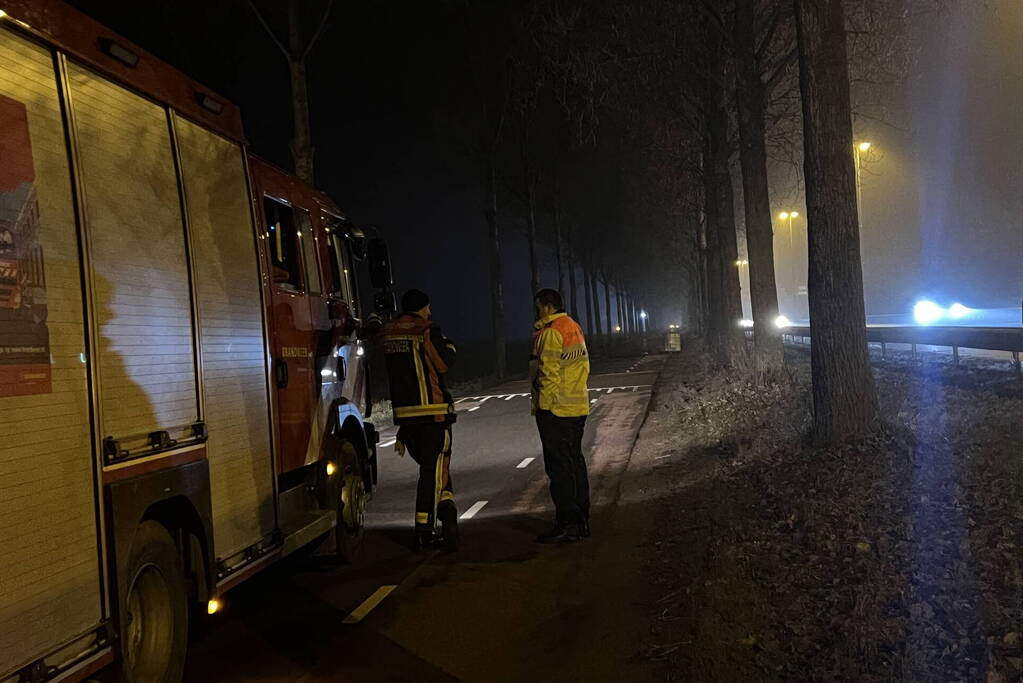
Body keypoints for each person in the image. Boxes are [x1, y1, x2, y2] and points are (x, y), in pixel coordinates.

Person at [380, 289, 460, 551]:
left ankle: (446, 507)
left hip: (406, 417)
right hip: (432, 413)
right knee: (432, 472)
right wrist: (449, 345)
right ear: (422, 308)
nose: (431, 312)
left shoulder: (390, 331)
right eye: (428, 307)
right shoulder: (426, 330)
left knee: (432, 470)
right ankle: (425, 530)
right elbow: (443, 364)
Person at [530, 288, 591, 543]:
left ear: (546, 306)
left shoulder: (552, 332)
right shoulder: (573, 327)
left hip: (557, 411)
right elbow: (583, 366)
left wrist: (544, 408)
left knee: (560, 469)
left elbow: (549, 374)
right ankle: (581, 520)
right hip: (577, 406)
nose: (536, 311)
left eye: (538, 307)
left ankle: (568, 524)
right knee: (575, 463)